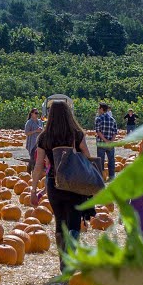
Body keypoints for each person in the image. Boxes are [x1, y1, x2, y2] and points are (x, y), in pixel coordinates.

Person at [30, 95, 93, 256]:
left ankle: (63, 258)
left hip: (54, 182)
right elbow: (87, 156)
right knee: (73, 221)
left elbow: (38, 166)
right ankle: (70, 254)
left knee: (60, 221)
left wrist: (33, 190)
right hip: (74, 183)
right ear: (68, 114)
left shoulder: (44, 137)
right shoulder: (76, 134)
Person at [93, 102, 119, 180]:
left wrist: (105, 140)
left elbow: (98, 131)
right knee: (111, 160)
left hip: (101, 143)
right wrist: (111, 141)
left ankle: (101, 176)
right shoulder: (112, 119)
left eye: (98, 108)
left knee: (100, 160)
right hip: (110, 144)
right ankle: (112, 176)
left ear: (101, 109)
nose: (98, 110)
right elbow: (115, 132)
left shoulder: (98, 119)